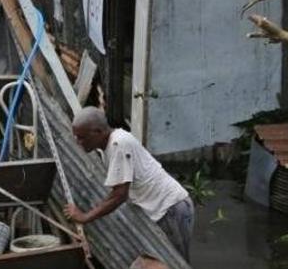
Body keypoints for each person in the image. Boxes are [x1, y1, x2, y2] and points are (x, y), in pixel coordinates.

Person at [64, 107, 195, 259]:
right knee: (169, 265)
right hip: (166, 209)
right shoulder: (113, 144)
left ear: (97, 132)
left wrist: (84, 217)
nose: (78, 142)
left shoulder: (118, 144)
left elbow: (120, 195)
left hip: (170, 208)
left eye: (82, 137)